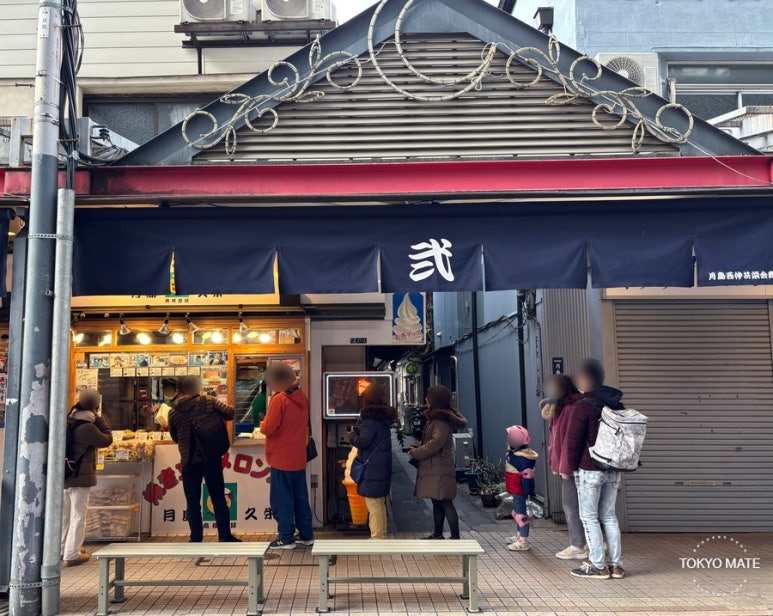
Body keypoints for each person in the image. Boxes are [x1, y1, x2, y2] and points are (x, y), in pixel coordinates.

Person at [565, 358, 625, 580]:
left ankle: (598, 565)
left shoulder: (584, 405)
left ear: (586, 379)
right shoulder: (616, 403)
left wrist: (570, 468)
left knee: (589, 516)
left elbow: (573, 440)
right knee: (609, 515)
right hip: (613, 466)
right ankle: (616, 566)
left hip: (589, 468)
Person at [169, 375, 240, 543]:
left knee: (192, 501)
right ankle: (224, 536)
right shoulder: (208, 401)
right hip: (210, 457)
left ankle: (196, 539)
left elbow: (175, 438)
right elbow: (230, 413)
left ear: (180, 390)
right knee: (218, 497)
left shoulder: (173, 412)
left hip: (188, 461)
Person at [260, 363, 314, 550]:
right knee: (300, 497)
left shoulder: (279, 399)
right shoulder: (302, 397)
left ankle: (286, 537)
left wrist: (263, 423)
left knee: (281, 499)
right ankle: (306, 535)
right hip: (298, 457)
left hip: (281, 457)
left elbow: (268, 428)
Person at [62, 388, 113, 567]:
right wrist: (99, 418)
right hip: (80, 478)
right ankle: (72, 553)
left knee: (65, 516)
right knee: (78, 516)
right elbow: (107, 439)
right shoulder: (88, 427)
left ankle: (63, 549)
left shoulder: (69, 422)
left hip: (65, 476)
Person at [408, 385, 467, 540]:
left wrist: (416, 452)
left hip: (439, 466)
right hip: (436, 465)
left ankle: (455, 537)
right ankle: (438, 534)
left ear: (435, 400)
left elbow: (435, 444)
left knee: (445, 502)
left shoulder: (441, 420)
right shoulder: (437, 418)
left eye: (428, 396)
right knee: (437, 500)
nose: (426, 399)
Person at [541, 374, 587, 560]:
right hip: (573, 465)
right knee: (585, 507)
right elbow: (543, 408)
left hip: (570, 466)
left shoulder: (568, 409)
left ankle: (578, 545)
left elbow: (567, 441)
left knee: (571, 506)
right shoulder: (563, 407)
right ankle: (589, 543)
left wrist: (564, 467)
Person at [347, 383, 397, 539]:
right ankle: (381, 534)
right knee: (380, 503)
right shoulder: (383, 420)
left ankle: (377, 538)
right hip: (381, 468)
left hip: (373, 470)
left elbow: (363, 442)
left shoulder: (370, 421)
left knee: (373, 505)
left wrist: (351, 435)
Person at [504, 425, 538, 552]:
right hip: (517, 488)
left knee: (520, 514)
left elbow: (526, 475)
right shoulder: (520, 455)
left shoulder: (520, 458)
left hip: (519, 488)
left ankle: (523, 541)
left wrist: (528, 489)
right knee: (517, 511)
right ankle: (519, 536)